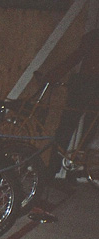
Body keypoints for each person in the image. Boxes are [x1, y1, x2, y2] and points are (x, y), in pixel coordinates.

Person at [44, 28, 99, 180]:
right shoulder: (91, 37)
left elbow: (75, 58)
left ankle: (74, 169)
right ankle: (53, 169)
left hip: (90, 89)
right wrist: (54, 74)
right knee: (66, 128)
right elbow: (75, 57)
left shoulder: (91, 37)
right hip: (83, 88)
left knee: (87, 131)